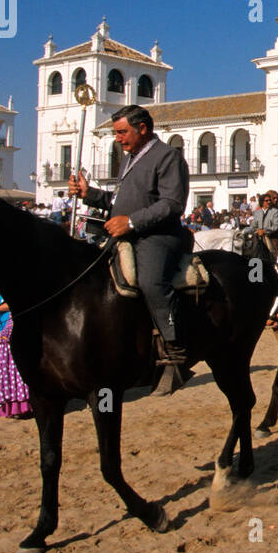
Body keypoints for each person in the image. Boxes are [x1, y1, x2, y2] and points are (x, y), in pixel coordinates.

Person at [69, 104, 191, 395]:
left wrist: (132, 222)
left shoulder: (168, 156)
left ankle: (174, 349)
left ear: (143, 128)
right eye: (115, 133)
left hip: (158, 236)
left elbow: (173, 204)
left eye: (122, 132)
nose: (118, 138)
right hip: (126, 231)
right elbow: (121, 201)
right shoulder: (130, 159)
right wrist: (90, 195)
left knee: (150, 281)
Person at [0, 293, 32, 418]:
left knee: (13, 371)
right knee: (8, 371)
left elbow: (14, 302)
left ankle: (20, 406)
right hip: (6, 327)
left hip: (12, 328)